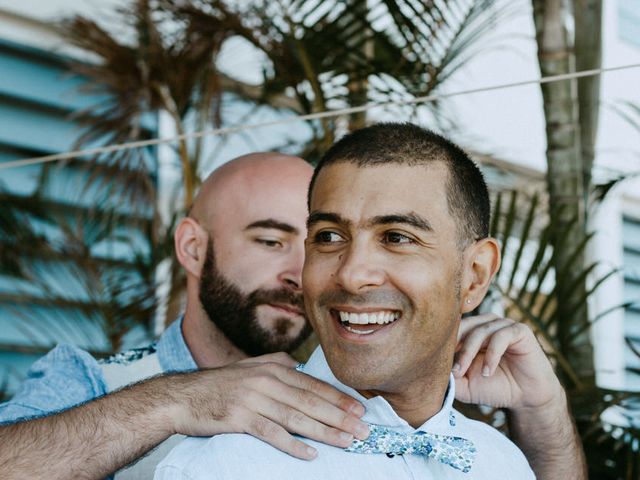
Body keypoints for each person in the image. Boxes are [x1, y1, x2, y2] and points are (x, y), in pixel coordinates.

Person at [155, 124, 586, 480]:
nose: (351, 273)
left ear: (474, 276)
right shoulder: (224, 468)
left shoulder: (505, 465)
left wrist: (544, 409)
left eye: (397, 237)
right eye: (328, 237)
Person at [0, 153, 370, 479]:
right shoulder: (92, 382)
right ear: (193, 248)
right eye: (271, 241)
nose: (297, 273)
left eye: (317, 245)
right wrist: (182, 398)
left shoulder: (346, 403)